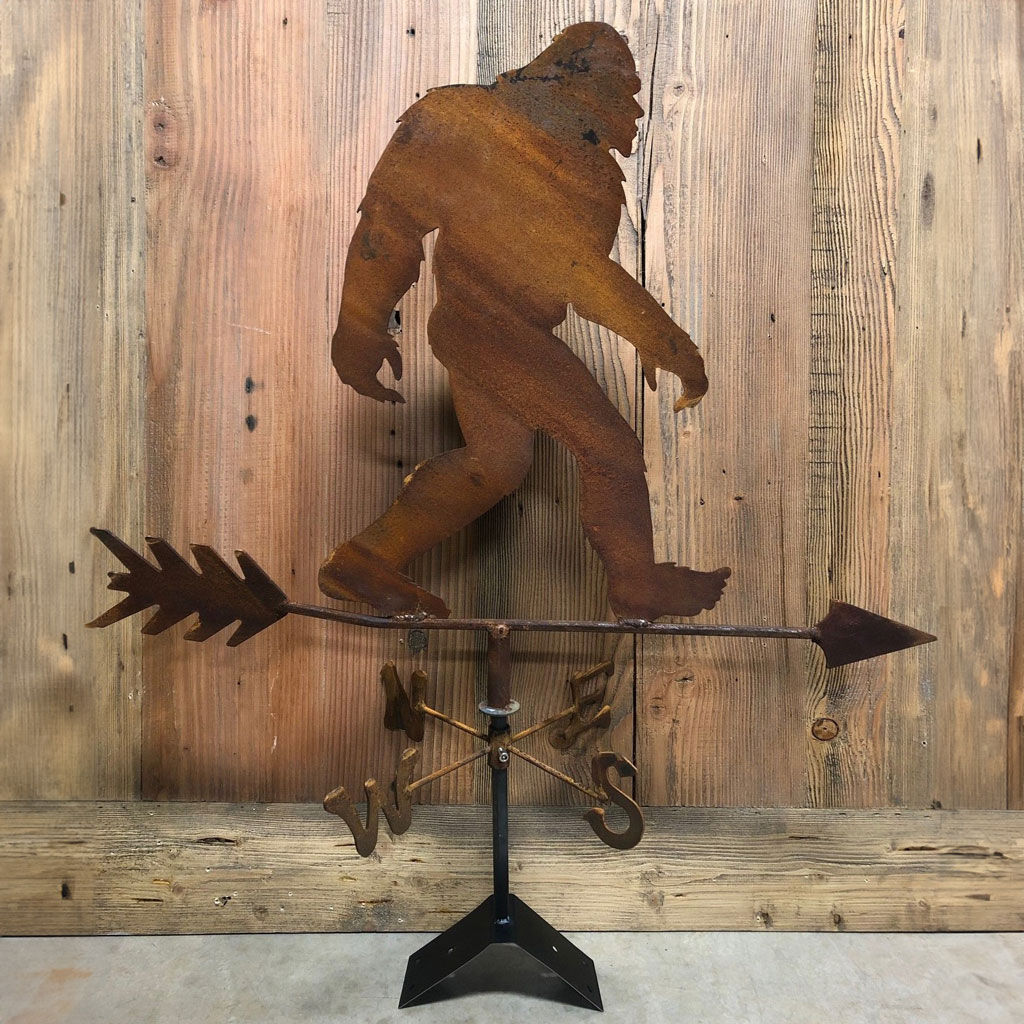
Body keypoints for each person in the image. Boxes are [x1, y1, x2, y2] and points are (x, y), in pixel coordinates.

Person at [320, 22, 730, 620]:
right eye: (621, 94)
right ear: (581, 89)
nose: (634, 113)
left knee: (496, 466)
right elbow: (393, 225)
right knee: (611, 450)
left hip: (481, 330)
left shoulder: (574, 165)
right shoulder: (480, 131)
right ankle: (635, 584)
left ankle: (366, 560)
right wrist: (360, 325)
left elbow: (572, 270)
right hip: (494, 332)